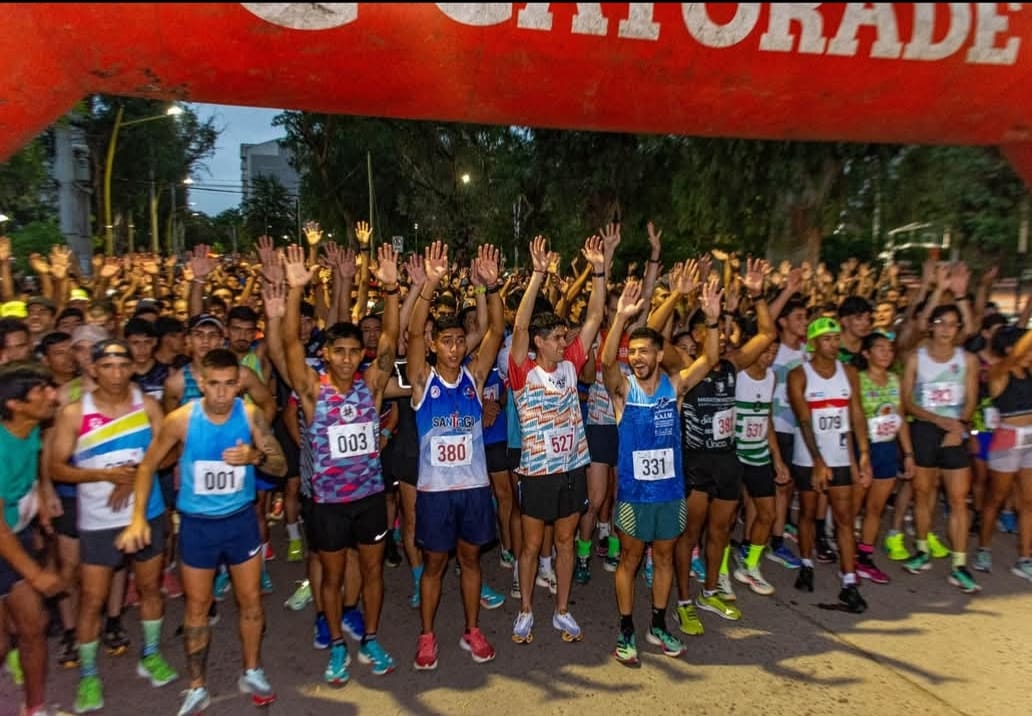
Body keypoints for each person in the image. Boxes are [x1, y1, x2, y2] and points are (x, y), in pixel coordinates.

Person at [116, 348, 288, 715]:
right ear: (201, 383)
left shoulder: (251, 415)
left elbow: (280, 464)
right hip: (198, 526)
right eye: (215, 384)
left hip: (240, 522)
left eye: (230, 384)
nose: (222, 393)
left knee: (251, 601)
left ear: (239, 384)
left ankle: (252, 670)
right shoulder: (181, 420)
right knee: (197, 607)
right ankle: (197, 686)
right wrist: (137, 518)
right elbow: (147, 466)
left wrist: (255, 457)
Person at [270, 241, 400, 683]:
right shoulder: (312, 390)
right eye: (338, 351)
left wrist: (391, 289)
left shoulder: (371, 385)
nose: (347, 358)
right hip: (327, 504)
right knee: (330, 576)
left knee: (371, 571)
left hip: (369, 499)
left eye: (353, 351)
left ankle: (371, 638)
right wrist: (295, 289)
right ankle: (337, 646)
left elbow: (390, 341)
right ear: (325, 353)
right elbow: (290, 343)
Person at [48, 340, 177, 713]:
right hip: (99, 520)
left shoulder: (147, 406)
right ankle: (89, 675)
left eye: (123, 365)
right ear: (93, 369)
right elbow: (56, 467)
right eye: (107, 365)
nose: (117, 373)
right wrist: (102, 475)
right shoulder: (75, 412)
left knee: (150, 588)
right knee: (92, 600)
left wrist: (136, 474)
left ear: (132, 368)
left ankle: (150, 654)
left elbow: (171, 450)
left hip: (147, 511)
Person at [603, 276, 720, 665]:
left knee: (665, 558)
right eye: (633, 352)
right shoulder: (624, 391)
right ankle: (625, 628)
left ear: (658, 355)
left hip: (670, 494)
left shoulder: (675, 387)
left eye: (644, 352)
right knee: (630, 560)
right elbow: (606, 363)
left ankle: (657, 624)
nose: (637, 358)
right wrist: (620, 318)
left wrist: (713, 321)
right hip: (634, 497)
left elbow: (709, 360)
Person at [406, 241, 506, 669]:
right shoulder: (422, 381)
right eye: (445, 341)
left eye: (459, 340)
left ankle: (472, 630)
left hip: (473, 490)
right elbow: (413, 333)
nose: (454, 347)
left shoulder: (474, 377)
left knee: (470, 559)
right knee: (434, 565)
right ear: (435, 346)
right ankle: (427, 635)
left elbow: (497, 331)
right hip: (435, 493)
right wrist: (430, 283)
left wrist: (491, 287)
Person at [508, 234, 607, 645]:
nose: (564, 342)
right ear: (539, 342)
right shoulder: (522, 370)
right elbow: (519, 324)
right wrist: (537, 274)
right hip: (536, 473)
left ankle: (562, 611)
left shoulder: (571, 365)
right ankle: (526, 610)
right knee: (532, 546)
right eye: (556, 338)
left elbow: (596, 316)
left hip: (572, 469)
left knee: (565, 542)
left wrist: (599, 270)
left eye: (565, 337)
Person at [787, 317, 870, 613]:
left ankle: (849, 582)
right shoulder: (799, 375)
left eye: (836, 338)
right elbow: (804, 420)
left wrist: (863, 453)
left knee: (845, 518)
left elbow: (856, 414)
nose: (834, 344)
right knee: (808, 513)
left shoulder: (849, 373)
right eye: (827, 339)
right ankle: (806, 564)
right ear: (813, 343)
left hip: (840, 455)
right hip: (808, 457)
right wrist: (818, 460)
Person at [901, 304, 981, 593]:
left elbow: (971, 399)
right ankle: (922, 550)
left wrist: (959, 426)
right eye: (941, 322)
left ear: (959, 328)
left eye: (953, 324)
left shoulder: (967, 359)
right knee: (923, 494)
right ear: (931, 326)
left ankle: (959, 565)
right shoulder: (916, 358)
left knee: (959, 500)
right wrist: (936, 420)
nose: (947, 329)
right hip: (925, 429)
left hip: (955, 431)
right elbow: (906, 401)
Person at [0, 363, 64, 716]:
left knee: (34, 626)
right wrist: (36, 574)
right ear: (15, 404)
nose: (53, 395)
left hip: (16, 534)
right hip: (4, 538)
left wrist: (40, 501)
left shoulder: (31, 428)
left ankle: (34, 709)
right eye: (41, 390)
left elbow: (33, 468)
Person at [849, 332, 914, 585]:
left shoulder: (895, 380)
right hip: (863, 448)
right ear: (866, 353)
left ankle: (865, 557)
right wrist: (861, 454)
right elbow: (853, 418)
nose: (887, 353)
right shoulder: (857, 379)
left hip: (887, 449)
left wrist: (908, 453)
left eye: (890, 349)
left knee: (875, 508)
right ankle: (847, 556)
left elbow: (900, 418)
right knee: (853, 507)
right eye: (880, 348)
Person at [975, 325, 1032, 580]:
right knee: (996, 499)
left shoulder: (1029, 371)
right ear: (1011, 349)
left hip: (1030, 439)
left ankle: (1025, 557)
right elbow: (1016, 354)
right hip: (1008, 439)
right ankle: (984, 549)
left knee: (1028, 502)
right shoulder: (998, 371)